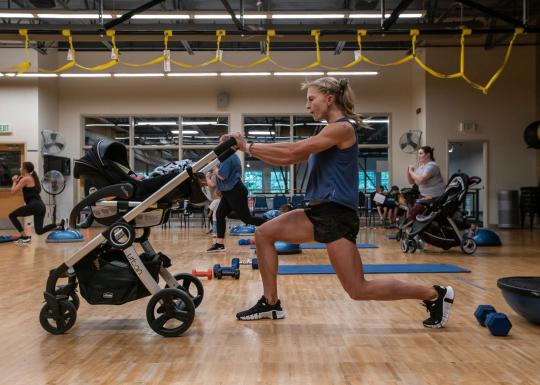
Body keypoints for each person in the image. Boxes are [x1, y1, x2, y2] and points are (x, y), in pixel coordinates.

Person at [231, 77, 454, 328]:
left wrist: (248, 146)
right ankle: (270, 303)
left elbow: (293, 152)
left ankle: (435, 294)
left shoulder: (342, 128)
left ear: (329, 98)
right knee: (263, 234)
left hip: (336, 216)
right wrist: (248, 148)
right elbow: (291, 157)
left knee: (358, 289)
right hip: (316, 212)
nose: (307, 105)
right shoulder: (325, 130)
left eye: (311, 98)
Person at [206, 134, 266, 253]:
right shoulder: (226, 157)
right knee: (220, 214)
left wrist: (214, 169)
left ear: (226, 145)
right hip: (229, 191)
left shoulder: (229, 158)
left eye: (220, 143)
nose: (218, 145)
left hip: (235, 191)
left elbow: (223, 175)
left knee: (246, 219)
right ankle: (219, 244)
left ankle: (273, 225)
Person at [9, 162, 64, 243]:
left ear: (25, 169)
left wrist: (14, 181)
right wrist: (18, 180)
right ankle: (59, 223)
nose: (19, 169)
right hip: (40, 206)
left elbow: (13, 191)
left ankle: (24, 236)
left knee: (12, 215)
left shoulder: (26, 179)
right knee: (39, 231)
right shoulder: (30, 177)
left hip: (34, 205)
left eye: (21, 167)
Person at [406, 146, 446, 220]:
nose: (419, 156)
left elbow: (421, 179)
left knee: (413, 214)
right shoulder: (421, 167)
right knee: (413, 213)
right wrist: (408, 172)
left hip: (435, 197)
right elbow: (411, 182)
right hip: (424, 196)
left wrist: (411, 172)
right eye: (418, 154)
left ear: (428, 154)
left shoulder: (432, 166)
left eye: (421, 153)